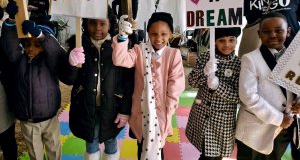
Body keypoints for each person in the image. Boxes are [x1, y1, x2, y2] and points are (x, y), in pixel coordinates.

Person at [237, 0, 300, 159]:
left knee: (286, 98)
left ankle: (281, 130)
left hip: (289, 50)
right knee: (255, 92)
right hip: (256, 45)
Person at [63, 6, 134, 160]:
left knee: (111, 141)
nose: (97, 28)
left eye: (102, 23)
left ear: (110, 24)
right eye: (92, 23)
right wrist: (71, 63)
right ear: (85, 23)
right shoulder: (78, 45)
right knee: (91, 142)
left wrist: (125, 110)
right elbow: (68, 79)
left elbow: (128, 82)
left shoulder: (120, 46)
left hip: (112, 107)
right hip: (86, 107)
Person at [112, 12, 185, 160]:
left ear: (171, 34)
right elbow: (120, 60)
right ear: (148, 33)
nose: (158, 38)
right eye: (154, 34)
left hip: (162, 114)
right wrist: (122, 37)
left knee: (157, 148)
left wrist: (168, 113)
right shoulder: (139, 50)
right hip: (140, 112)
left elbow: (175, 86)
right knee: (142, 146)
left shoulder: (173, 54)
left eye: (164, 34)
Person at [1, 5, 70, 160]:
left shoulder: (50, 60)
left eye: (37, 45)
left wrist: (41, 36)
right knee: (35, 154)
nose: (31, 48)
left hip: (50, 118)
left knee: (54, 151)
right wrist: (11, 20)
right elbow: (10, 46)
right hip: (28, 121)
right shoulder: (19, 59)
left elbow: (56, 51)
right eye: (28, 44)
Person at [235, 12, 300, 160]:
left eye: (278, 30)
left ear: (288, 31)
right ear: (259, 34)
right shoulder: (250, 59)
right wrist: (278, 118)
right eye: (266, 31)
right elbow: (248, 97)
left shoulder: (296, 58)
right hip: (254, 130)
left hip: (283, 130)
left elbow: (298, 84)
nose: (272, 35)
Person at [186, 27, 241, 160]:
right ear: (215, 42)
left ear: (236, 41)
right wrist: (204, 72)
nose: (227, 44)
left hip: (223, 120)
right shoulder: (205, 57)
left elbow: (238, 97)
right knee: (206, 152)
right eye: (221, 40)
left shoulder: (239, 64)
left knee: (216, 155)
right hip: (201, 114)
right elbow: (192, 82)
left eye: (231, 40)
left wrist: (218, 86)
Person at [0, 0, 18, 160]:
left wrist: (11, 21)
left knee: (7, 138)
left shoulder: (4, 17)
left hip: (3, 88)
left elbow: (12, 54)